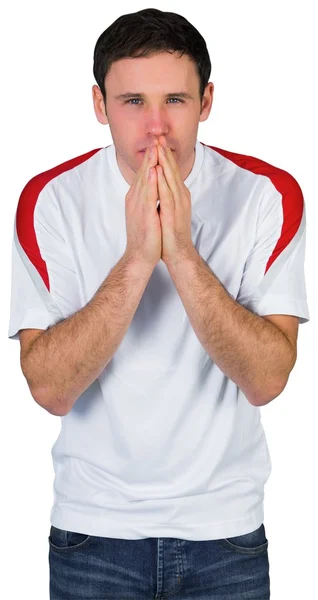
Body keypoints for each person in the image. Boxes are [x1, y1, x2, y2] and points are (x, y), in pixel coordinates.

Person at [7, 7, 310, 600]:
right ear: (99, 105)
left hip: (224, 534)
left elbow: (269, 378)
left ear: (207, 100)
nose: (155, 128)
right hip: (93, 533)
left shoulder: (267, 194)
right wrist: (139, 259)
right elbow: (48, 389)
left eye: (174, 99)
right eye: (131, 102)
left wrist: (183, 254)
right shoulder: (50, 200)